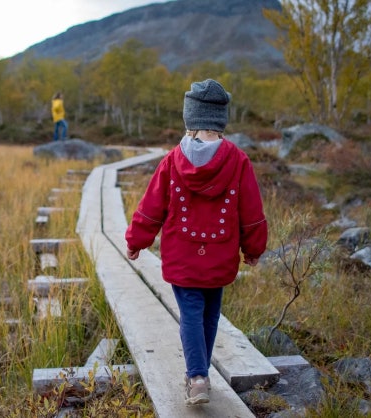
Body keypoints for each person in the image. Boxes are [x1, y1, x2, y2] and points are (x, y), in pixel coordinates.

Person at [125, 79, 268, 406]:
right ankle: (199, 374)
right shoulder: (238, 160)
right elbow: (252, 209)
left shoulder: (173, 161)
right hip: (220, 254)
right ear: (221, 120)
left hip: (182, 255)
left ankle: (197, 377)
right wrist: (254, 248)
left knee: (190, 313)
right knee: (210, 314)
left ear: (190, 118)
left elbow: (151, 206)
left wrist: (136, 240)